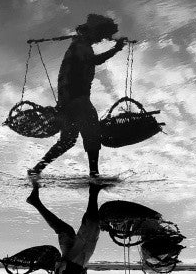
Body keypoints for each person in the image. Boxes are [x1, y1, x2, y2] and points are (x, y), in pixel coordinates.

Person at [29, 14, 128, 179]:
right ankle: (94, 174)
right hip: (77, 99)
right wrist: (116, 49)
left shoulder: (79, 44)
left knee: (67, 140)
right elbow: (95, 60)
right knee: (92, 133)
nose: (101, 39)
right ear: (93, 31)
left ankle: (37, 170)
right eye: (101, 35)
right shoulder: (81, 45)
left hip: (67, 100)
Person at [26, 182, 128, 274]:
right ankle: (35, 201)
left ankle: (93, 190)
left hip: (74, 265)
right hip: (65, 269)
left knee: (92, 226)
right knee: (65, 231)